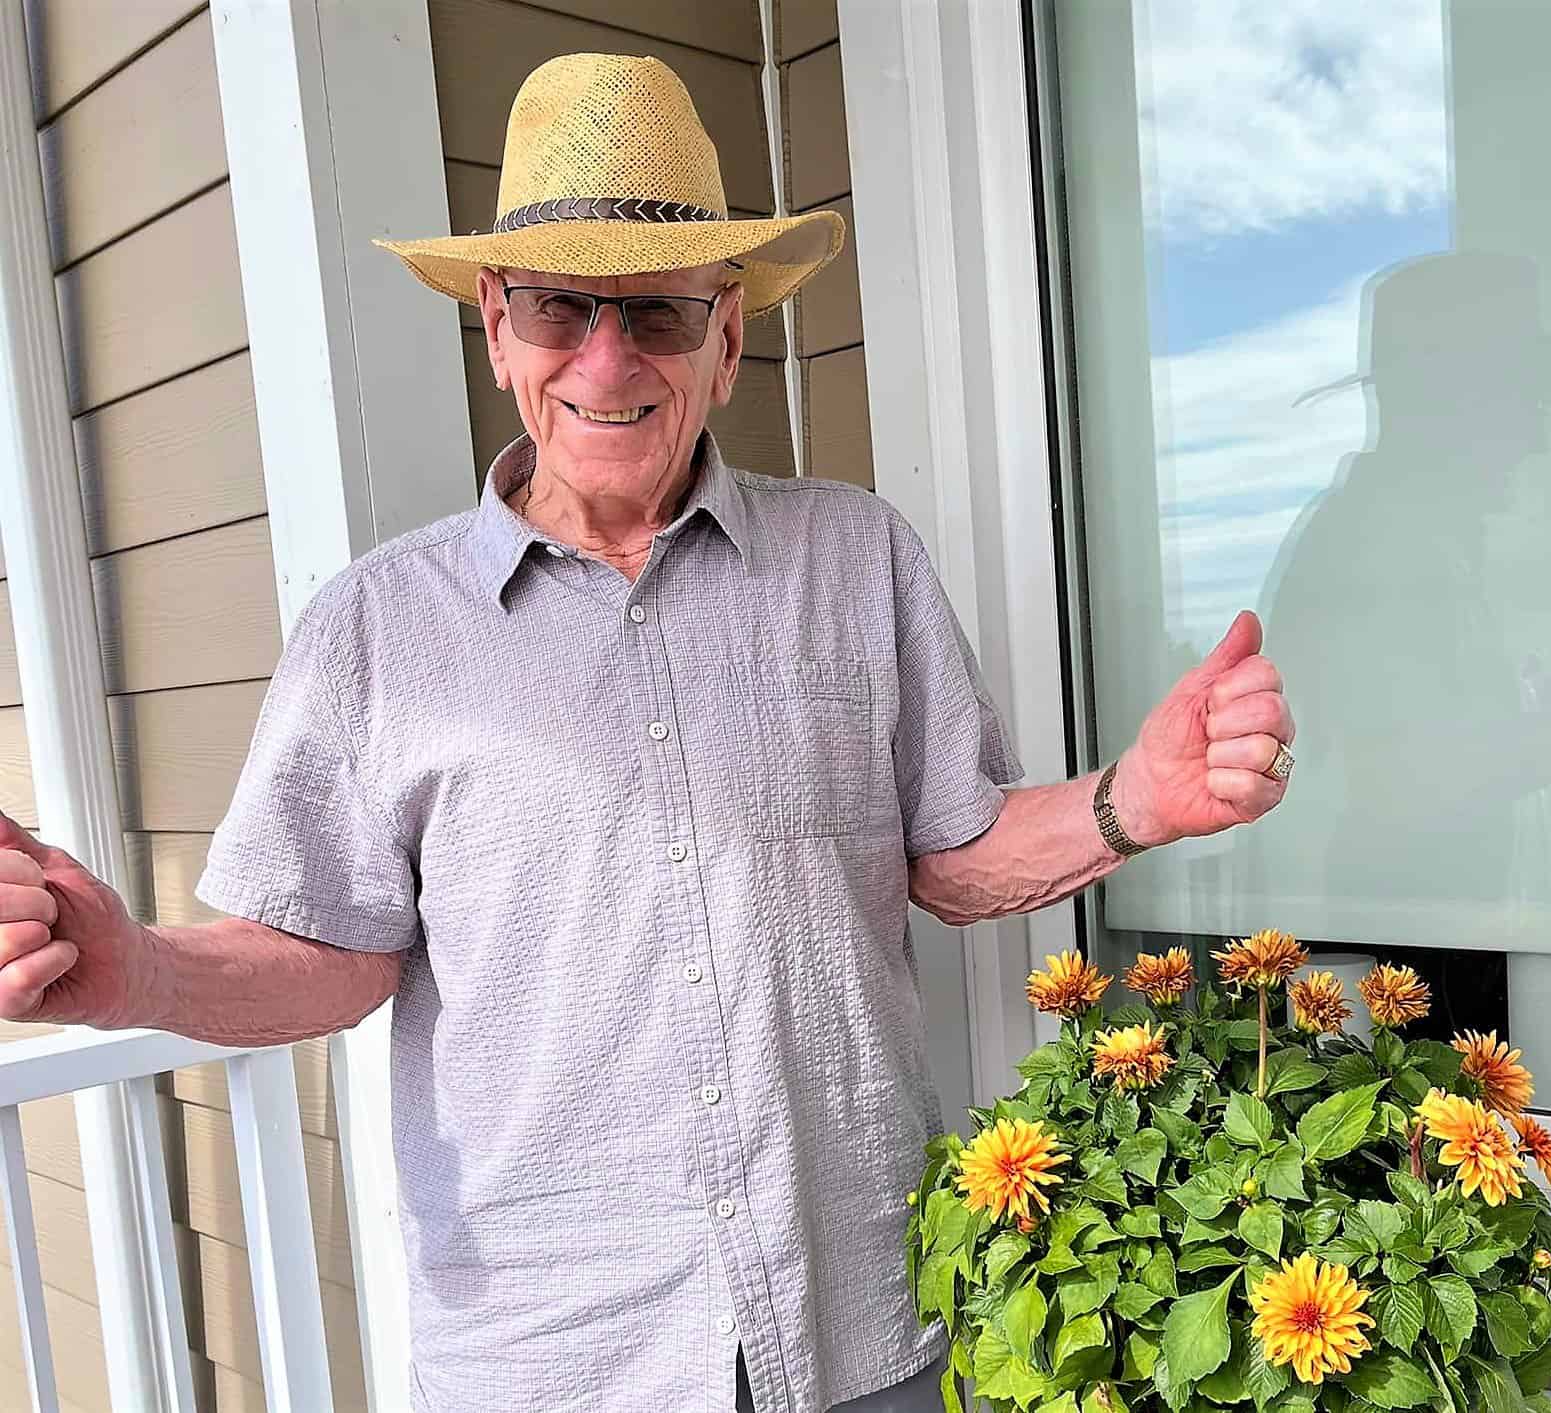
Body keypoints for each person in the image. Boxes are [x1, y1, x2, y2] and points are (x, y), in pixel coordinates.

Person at [0, 53, 1293, 1412]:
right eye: (559, 307)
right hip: (553, 1359)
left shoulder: (858, 559)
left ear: (727, 338)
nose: (605, 360)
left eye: (660, 314)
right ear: (498, 329)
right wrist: (134, 969)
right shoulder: (376, 629)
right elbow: (328, 954)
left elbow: (953, 859)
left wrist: (1134, 799)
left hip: (857, 1325)